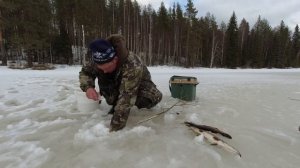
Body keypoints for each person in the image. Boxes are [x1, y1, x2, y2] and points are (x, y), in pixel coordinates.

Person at [79, 34, 162, 132]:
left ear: (115, 60)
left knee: (150, 96)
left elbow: (126, 97)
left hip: (139, 89)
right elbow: (85, 72)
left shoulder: (133, 64)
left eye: (107, 68)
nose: (104, 71)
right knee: (114, 94)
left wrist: (113, 130)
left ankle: (124, 107)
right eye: (102, 69)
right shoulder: (98, 57)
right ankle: (115, 103)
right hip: (118, 88)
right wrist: (88, 87)